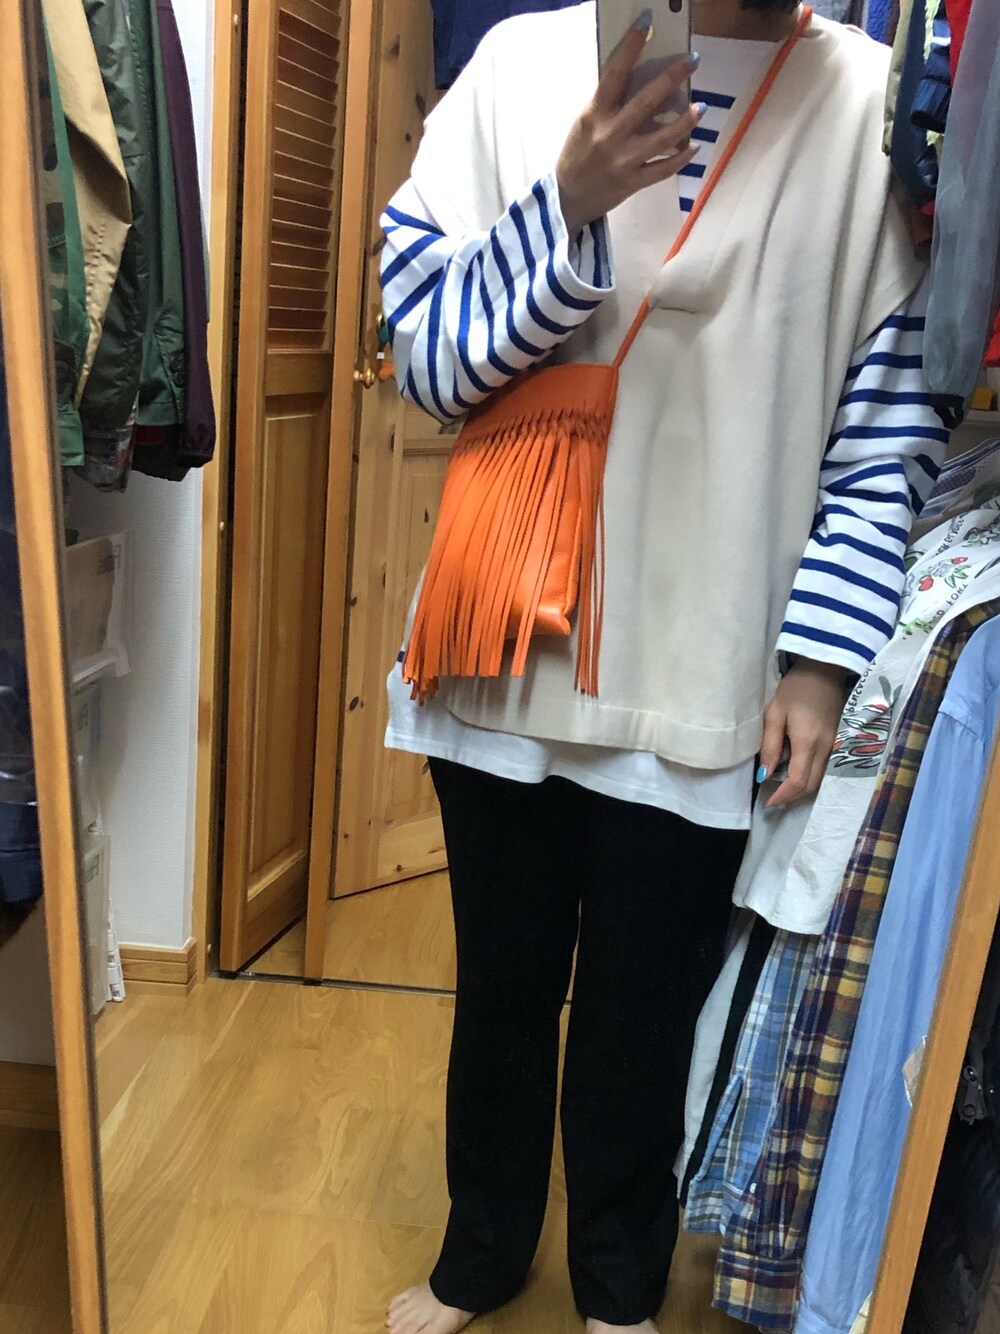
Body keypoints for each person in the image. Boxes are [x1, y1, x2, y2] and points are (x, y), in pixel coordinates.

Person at [379, 2, 947, 1332]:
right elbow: (425, 362)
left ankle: (619, 1283)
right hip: (507, 647)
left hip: (713, 652)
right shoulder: (517, 67)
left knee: (642, 1013)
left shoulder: (873, 109)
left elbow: (888, 432)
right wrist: (568, 204)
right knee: (502, 990)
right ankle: (482, 1252)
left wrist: (820, 661)